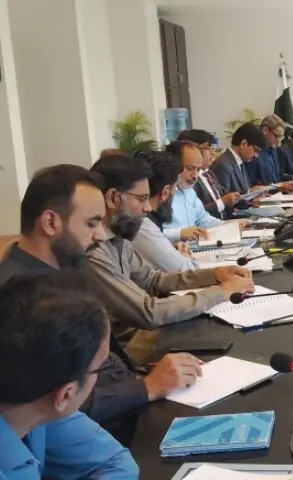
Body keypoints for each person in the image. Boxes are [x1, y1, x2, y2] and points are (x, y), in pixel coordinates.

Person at [0, 165, 205, 424]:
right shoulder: (21, 300)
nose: (99, 235)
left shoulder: (61, 269)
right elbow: (55, 407)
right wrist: (148, 387)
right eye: (91, 223)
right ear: (51, 222)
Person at [86, 153, 255, 337]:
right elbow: (148, 312)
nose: (147, 208)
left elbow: (153, 281)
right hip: (123, 345)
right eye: (141, 199)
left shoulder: (119, 238)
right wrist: (221, 292)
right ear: (113, 198)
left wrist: (214, 275)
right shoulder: (93, 251)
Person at [0, 272, 139, 479]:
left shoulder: (37, 408)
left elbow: (117, 463)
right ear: (66, 394)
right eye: (101, 367)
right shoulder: (41, 402)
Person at [131, 150, 202, 272]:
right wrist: (185, 257)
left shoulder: (145, 221)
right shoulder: (142, 224)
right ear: (165, 192)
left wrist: (170, 250)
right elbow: (189, 271)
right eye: (174, 187)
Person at [161, 142, 226, 244]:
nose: (195, 176)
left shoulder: (190, 191)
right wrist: (180, 233)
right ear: (174, 165)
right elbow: (149, 235)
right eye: (190, 169)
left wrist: (228, 226)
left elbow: (202, 219)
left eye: (198, 169)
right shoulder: (158, 194)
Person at [178, 129, 240, 219]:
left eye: (212, 148)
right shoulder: (188, 181)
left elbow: (225, 195)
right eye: (208, 148)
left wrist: (246, 197)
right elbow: (197, 214)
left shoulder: (208, 173)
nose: (212, 152)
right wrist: (222, 202)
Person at [209, 123, 268, 195]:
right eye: (256, 150)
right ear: (243, 144)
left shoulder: (240, 162)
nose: (256, 156)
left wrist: (254, 194)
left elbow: (244, 190)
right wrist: (250, 192)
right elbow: (224, 198)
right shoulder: (223, 166)